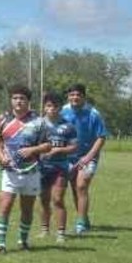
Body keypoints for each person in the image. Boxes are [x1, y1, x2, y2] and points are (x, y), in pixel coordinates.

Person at [0, 85, 52, 253]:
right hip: (9, 171)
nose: (18, 101)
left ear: (28, 102)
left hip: (31, 171)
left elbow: (48, 145)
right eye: (15, 98)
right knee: (5, 205)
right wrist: (2, 157)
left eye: (22, 98)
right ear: (11, 100)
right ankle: (0, 244)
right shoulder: (2, 120)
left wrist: (33, 150)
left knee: (27, 208)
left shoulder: (38, 121)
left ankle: (23, 241)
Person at [62, 83, 108, 235]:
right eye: (72, 95)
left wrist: (89, 156)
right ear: (68, 97)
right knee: (75, 189)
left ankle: (80, 224)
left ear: (83, 97)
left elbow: (101, 137)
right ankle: (84, 218)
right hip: (67, 157)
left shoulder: (93, 113)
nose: (75, 97)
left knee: (81, 186)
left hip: (88, 156)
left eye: (78, 95)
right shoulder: (62, 111)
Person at [36, 92, 77, 243]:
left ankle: (61, 233)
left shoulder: (68, 126)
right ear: (44, 107)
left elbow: (74, 147)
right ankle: (44, 229)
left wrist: (59, 150)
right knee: (44, 199)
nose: (52, 109)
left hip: (60, 167)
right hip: (41, 167)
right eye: (48, 106)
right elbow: (31, 144)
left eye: (55, 106)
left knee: (58, 199)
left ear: (60, 108)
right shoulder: (38, 124)